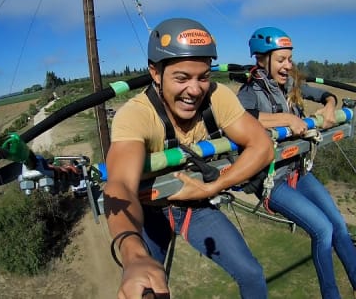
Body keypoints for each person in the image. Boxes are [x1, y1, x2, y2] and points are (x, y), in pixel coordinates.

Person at [103, 18, 274, 298]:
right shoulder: (135, 116)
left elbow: (262, 146)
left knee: (252, 274)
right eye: (181, 78)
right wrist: (133, 255)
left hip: (196, 205)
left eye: (204, 77)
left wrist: (212, 187)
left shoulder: (217, 97)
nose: (195, 90)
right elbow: (120, 184)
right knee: (146, 287)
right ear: (155, 73)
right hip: (149, 211)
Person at [236, 26, 356, 299]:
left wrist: (328, 105)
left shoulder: (290, 85)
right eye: (281, 60)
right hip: (272, 180)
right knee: (323, 230)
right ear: (261, 61)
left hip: (297, 172)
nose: (288, 65)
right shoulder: (251, 91)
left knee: (338, 224)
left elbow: (324, 94)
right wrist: (287, 119)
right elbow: (240, 119)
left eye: (290, 59)